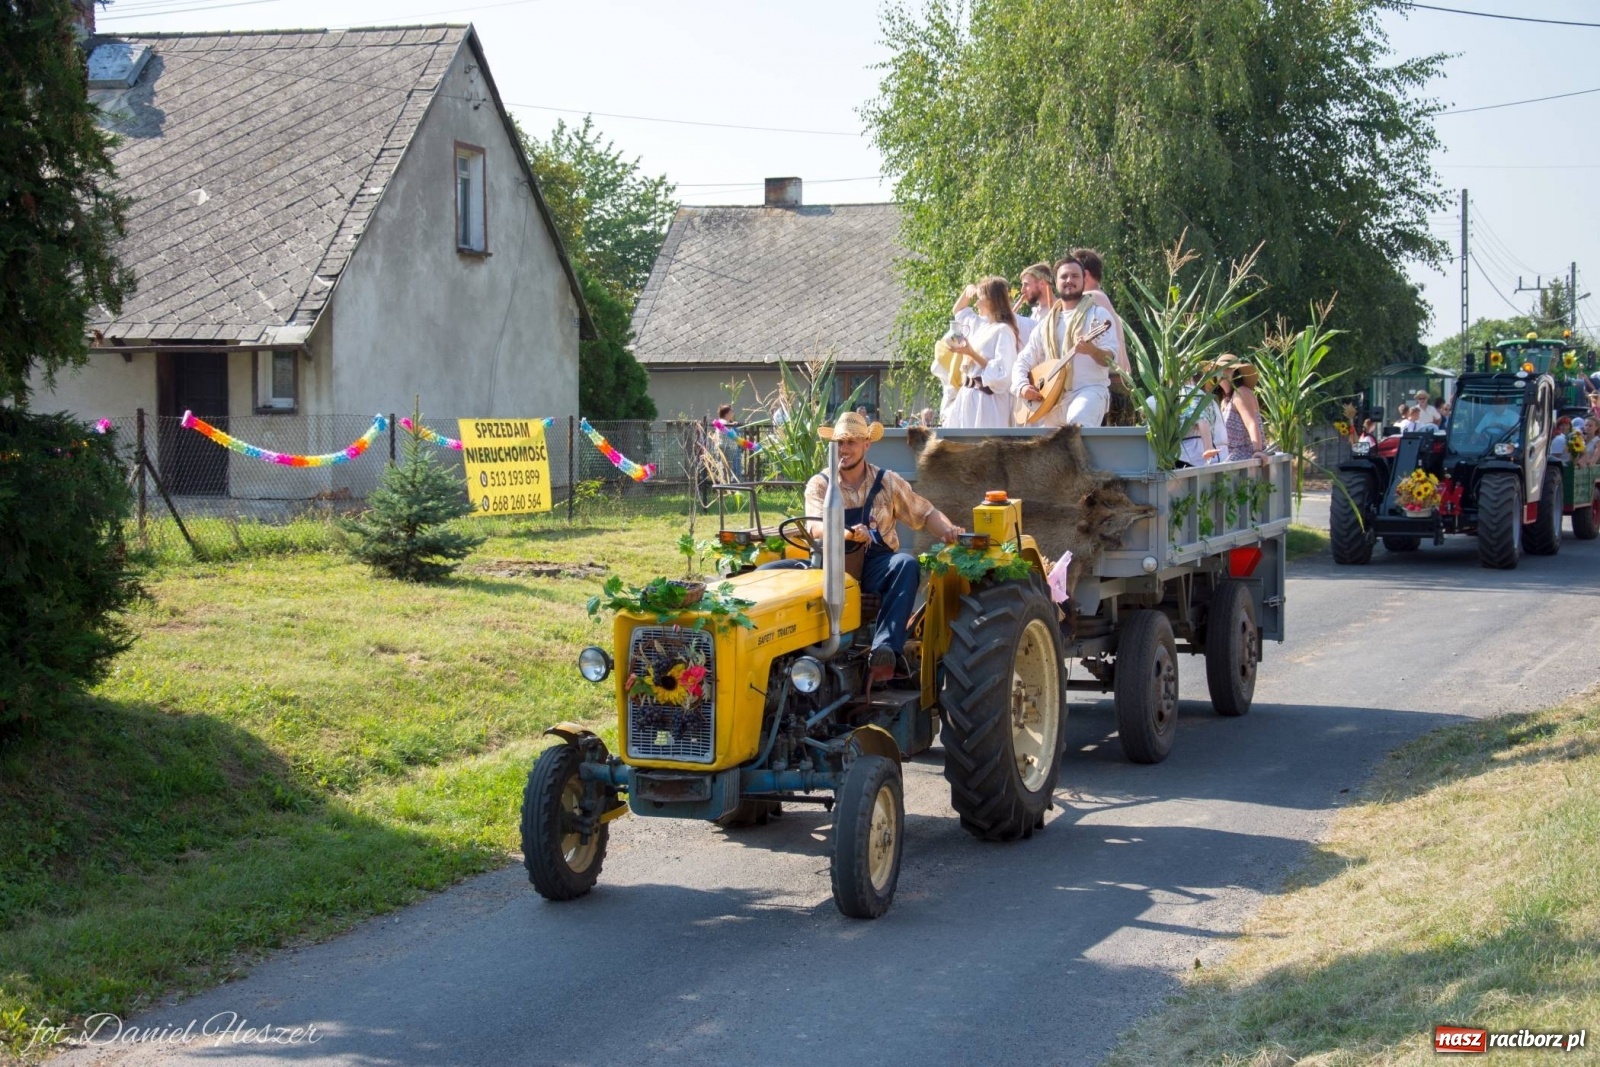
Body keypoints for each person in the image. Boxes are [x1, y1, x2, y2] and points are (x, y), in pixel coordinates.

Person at [804, 413, 964, 682]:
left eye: (852, 442)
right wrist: (848, 534)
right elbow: (814, 528)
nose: (844, 449)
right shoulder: (820, 484)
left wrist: (948, 530)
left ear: (867, 444)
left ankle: (885, 648)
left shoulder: (887, 482)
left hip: (875, 567)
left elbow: (924, 513)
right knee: (773, 572)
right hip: (831, 565)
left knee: (905, 564)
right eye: (840, 442)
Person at [1011, 257, 1119, 427]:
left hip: (1088, 391)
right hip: (1051, 398)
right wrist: (1022, 386)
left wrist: (1092, 351)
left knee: (1077, 426)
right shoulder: (1045, 325)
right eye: (1064, 276)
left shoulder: (1098, 315)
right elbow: (1022, 361)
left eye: (1075, 276)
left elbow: (1111, 360)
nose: (1069, 280)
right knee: (1050, 451)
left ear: (1084, 278)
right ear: (1056, 281)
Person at [945, 275, 1021, 428]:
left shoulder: (1003, 330)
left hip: (987, 403)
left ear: (992, 301)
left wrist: (972, 353)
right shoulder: (984, 327)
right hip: (969, 397)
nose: (977, 302)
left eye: (980, 298)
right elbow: (959, 311)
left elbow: (1002, 374)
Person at [1148, 374, 1219, 468]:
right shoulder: (1198, 393)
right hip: (1195, 454)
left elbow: (1201, 421)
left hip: (1190, 455)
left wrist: (1208, 449)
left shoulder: (1187, 392)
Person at [1210, 355, 1268, 465]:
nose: (1222, 373)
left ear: (1236, 372)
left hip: (1244, 456)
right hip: (1228, 457)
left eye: (1227, 369)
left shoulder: (1241, 393)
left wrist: (1258, 451)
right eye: (1218, 370)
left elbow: (1251, 422)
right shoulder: (1225, 401)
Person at [1012, 262, 1053, 346]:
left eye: (1026, 284)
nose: (1022, 290)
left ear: (1042, 284)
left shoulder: (1060, 308)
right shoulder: (1035, 313)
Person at [716, 403, 744, 480]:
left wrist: (731, 423)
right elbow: (731, 435)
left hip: (729, 449)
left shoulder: (725, 422)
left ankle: (727, 488)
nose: (733, 413)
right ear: (727, 413)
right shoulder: (722, 422)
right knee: (726, 470)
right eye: (732, 411)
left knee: (727, 470)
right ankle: (726, 488)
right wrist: (744, 443)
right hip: (726, 449)